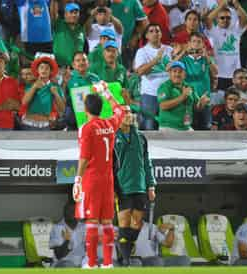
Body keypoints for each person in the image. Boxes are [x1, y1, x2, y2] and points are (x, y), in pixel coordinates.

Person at [73, 86, 126, 268]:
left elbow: (84, 158)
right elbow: (120, 110)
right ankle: (108, 263)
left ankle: (92, 263)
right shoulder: (109, 124)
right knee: (107, 221)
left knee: (92, 221)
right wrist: (106, 92)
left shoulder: (87, 128)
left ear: (85, 109)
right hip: (108, 179)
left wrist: (77, 180)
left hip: (92, 179)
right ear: (100, 108)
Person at [113, 106, 156, 266]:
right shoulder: (111, 137)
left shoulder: (141, 137)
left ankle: (123, 250)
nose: (129, 115)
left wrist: (151, 185)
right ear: (117, 116)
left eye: (130, 112)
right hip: (122, 187)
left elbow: (147, 162)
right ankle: (125, 261)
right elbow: (109, 166)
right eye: (125, 112)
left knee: (136, 224)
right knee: (124, 223)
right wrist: (112, 189)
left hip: (140, 186)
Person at [206, 0, 247, 90]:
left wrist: (237, 6)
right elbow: (208, 19)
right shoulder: (214, 31)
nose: (225, 20)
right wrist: (221, 6)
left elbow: (244, 17)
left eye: (228, 18)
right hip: (219, 75)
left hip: (236, 76)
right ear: (217, 19)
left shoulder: (236, 31)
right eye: (222, 18)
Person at [134, 23, 173, 130]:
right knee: (149, 127)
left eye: (157, 31)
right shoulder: (142, 51)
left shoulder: (169, 50)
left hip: (168, 94)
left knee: (168, 128)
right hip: (150, 94)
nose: (155, 33)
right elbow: (140, 71)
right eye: (151, 31)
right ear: (146, 36)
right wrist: (156, 59)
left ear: (161, 34)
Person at [176, 32, 218, 130]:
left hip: (204, 100)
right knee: (188, 129)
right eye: (193, 41)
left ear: (203, 44)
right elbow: (170, 67)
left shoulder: (207, 59)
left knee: (205, 129)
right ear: (189, 43)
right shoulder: (184, 60)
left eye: (199, 42)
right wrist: (183, 52)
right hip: (188, 101)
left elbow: (215, 72)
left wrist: (206, 56)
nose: (196, 44)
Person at [157, 61, 209, 131]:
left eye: (180, 71)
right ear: (169, 73)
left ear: (184, 74)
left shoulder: (189, 87)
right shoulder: (165, 87)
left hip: (186, 127)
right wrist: (183, 97)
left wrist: (202, 103)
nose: (177, 74)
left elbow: (197, 108)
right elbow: (163, 106)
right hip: (168, 127)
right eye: (174, 71)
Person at [19, 54, 65, 130]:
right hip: (28, 124)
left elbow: (62, 109)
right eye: (41, 67)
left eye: (47, 68)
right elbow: (24, 102)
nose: (44, 70)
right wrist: (34, 87)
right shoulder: (30, 85)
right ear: (37, 70)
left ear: (51, 71)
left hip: (45, 125)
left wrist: (56, 94)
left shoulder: (56, 87)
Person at [65, 52, 100, 130]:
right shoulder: (68, 78)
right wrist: (64, 83)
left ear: (88, 63)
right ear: (73, 65)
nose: (81, 62)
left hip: (93, 115)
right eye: (78, 60)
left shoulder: (95, 78)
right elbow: (64, 98)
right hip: (75, 116)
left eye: (84, 60)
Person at [49, 202, 86, 268]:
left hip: (81, 263)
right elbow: (59, 255)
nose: (70, 213)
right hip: (63, 263)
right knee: (69, 266)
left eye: (73, 210)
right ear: (64, 212)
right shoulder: (57, 228)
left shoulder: (84, 227)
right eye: (68, 210)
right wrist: (67, 240)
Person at [51, 3, 85, 67]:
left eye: (76, 13)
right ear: (65, 14)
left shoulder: (81, 29)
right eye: (71, 12)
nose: (74, 15)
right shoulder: (59, 24)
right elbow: (53, 13)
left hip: (76, 68)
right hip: (60, 67)